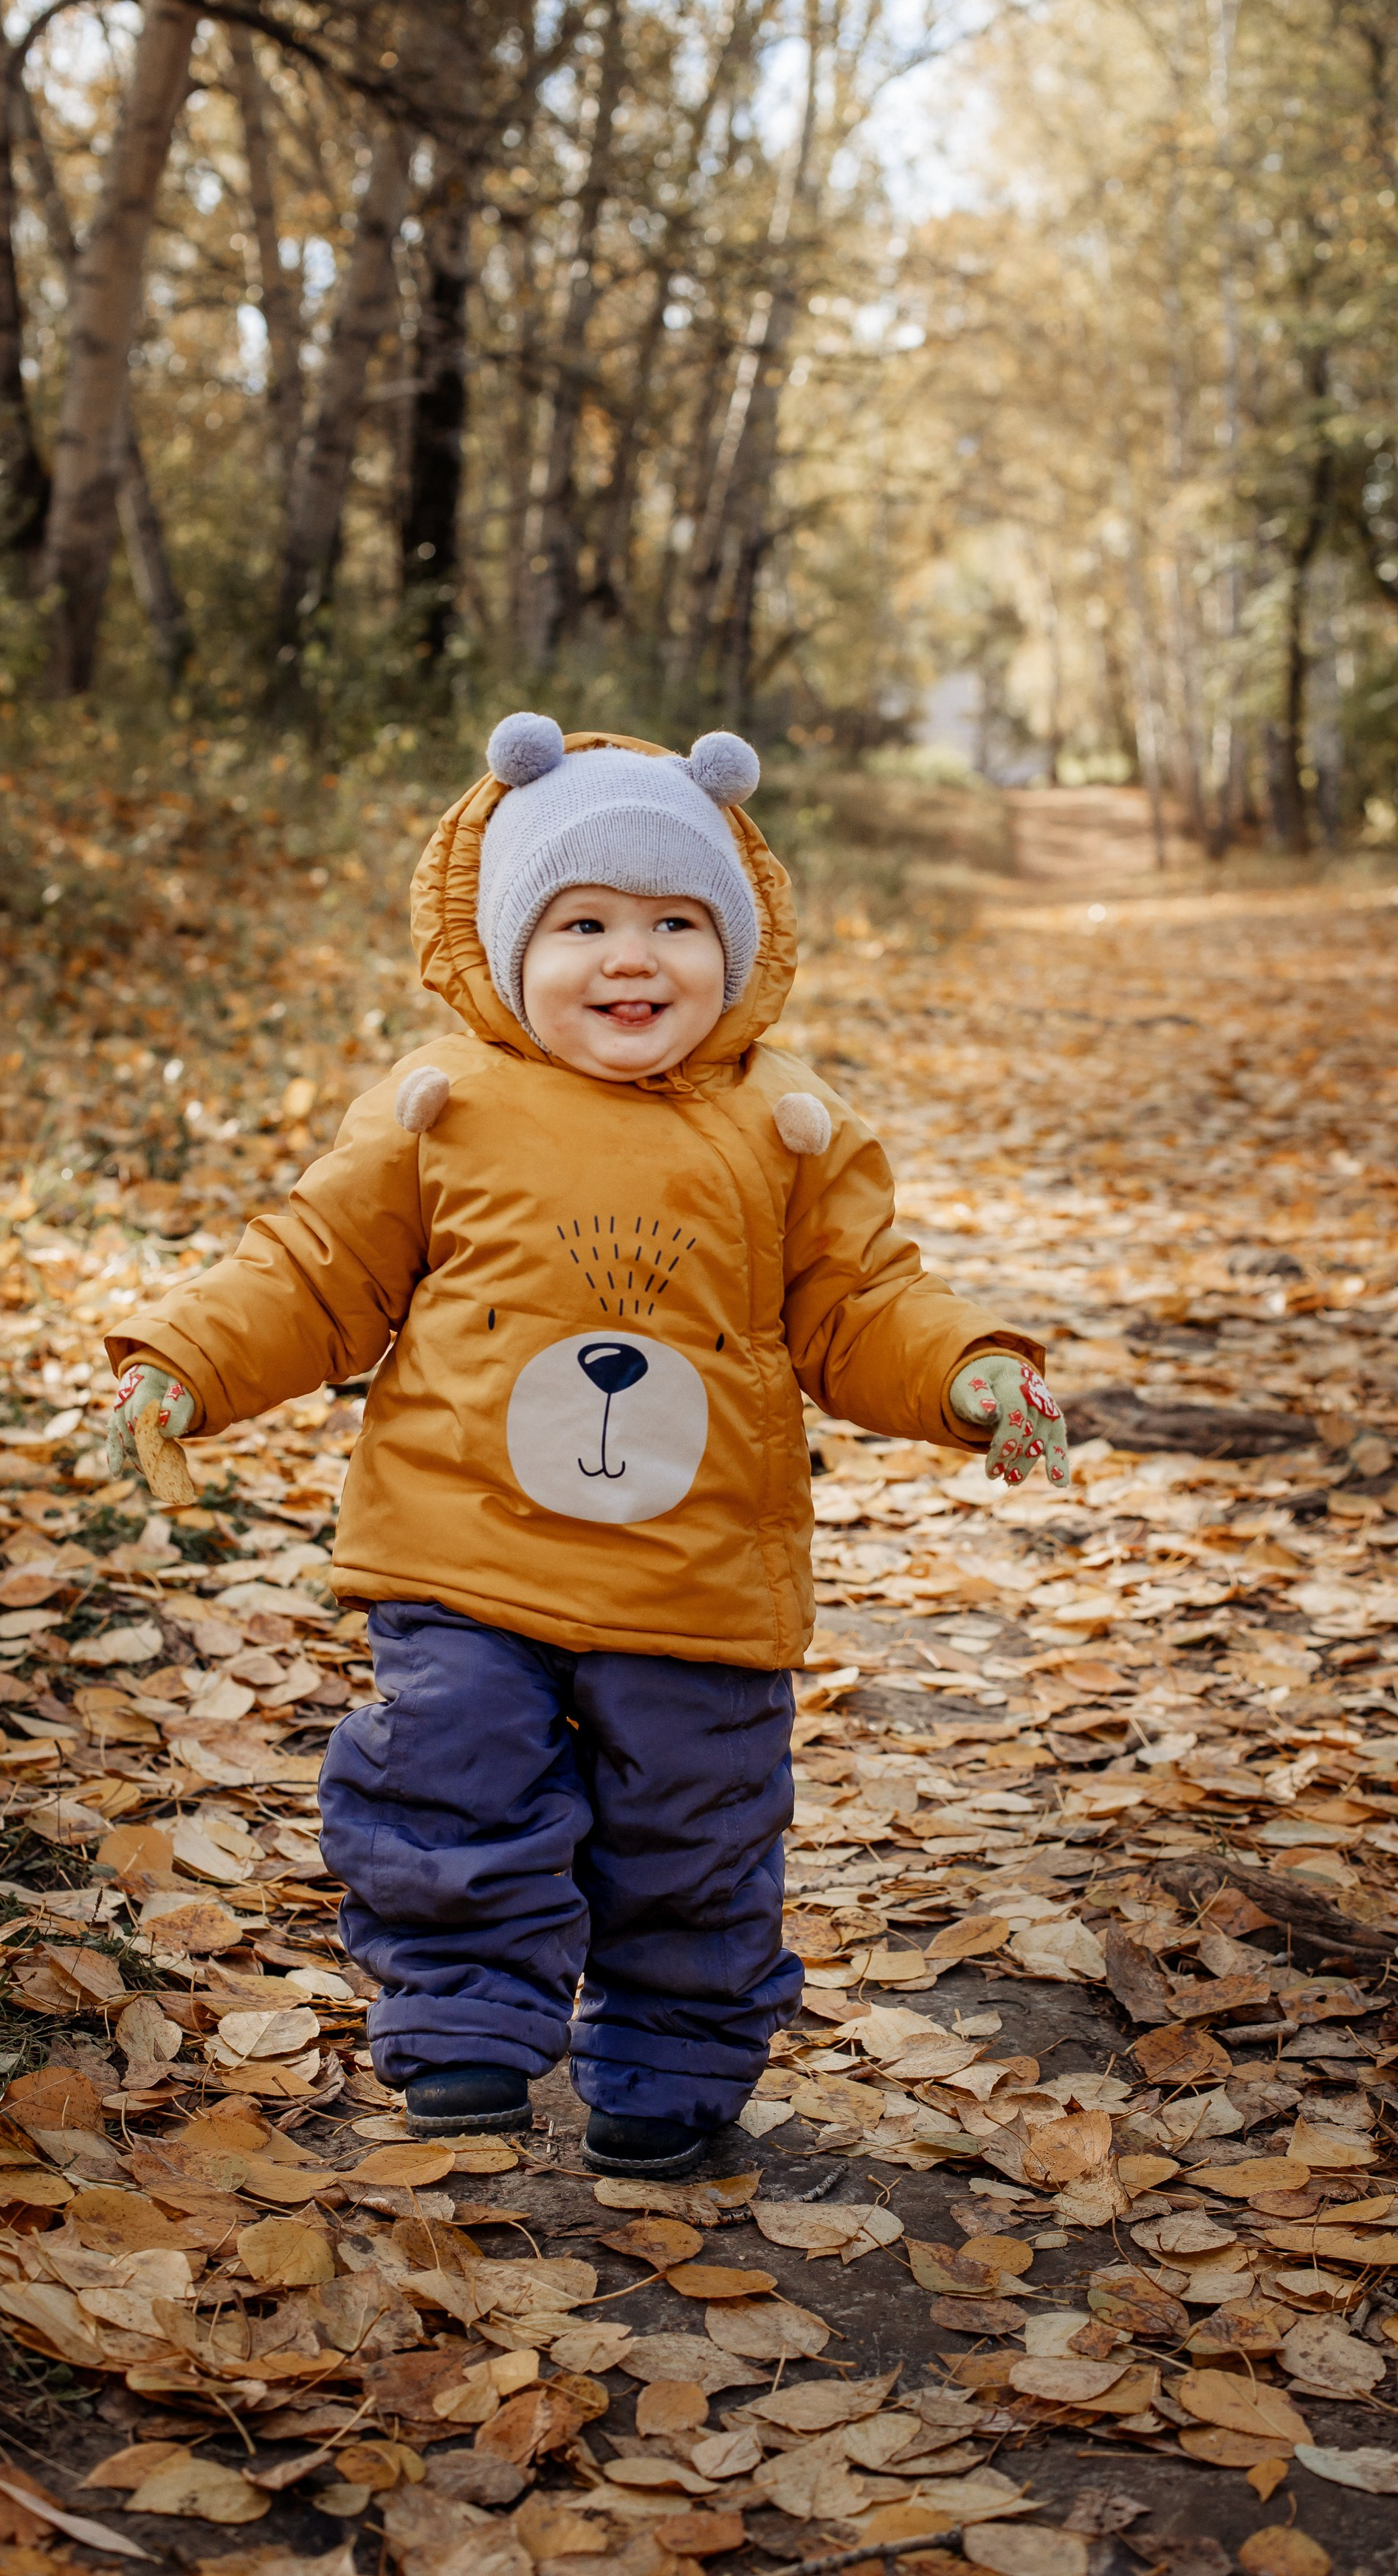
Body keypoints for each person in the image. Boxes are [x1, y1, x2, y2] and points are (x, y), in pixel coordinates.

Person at [104, 715, 1068, 2177]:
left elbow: (863, 1304)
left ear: (734, 949)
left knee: (695, 1830)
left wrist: (972, 1372)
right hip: (462, 1548)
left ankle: (673, 2059)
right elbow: (313, 1270)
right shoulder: (445, 1104)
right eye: (586, 922)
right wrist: (185, 1357)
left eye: (678, 922)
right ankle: (466, 2031)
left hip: (694, 1575)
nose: (634, 958)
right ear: (507, 947)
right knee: (447, 1778)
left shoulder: (785, 1128)